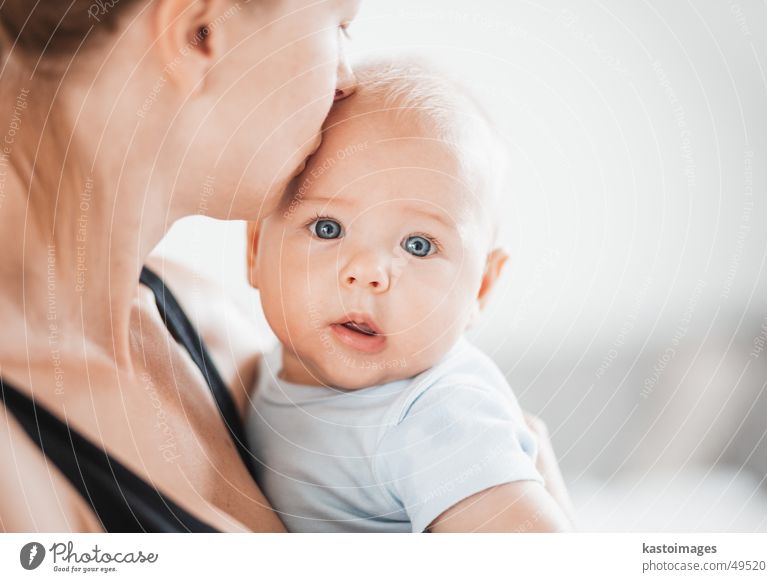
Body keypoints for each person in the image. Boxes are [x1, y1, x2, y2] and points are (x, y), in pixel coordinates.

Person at [0, 0, 571, 533]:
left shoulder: (216, 330)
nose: (347, 78)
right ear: (201, 31)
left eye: (420, 245)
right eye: (338, 24)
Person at [244, 59, 574, 532]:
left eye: (418, 245)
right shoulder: (265, 370)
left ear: (480, 287)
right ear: (256, 249)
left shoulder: (437, 417)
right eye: (327, 228)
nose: (367, 272)